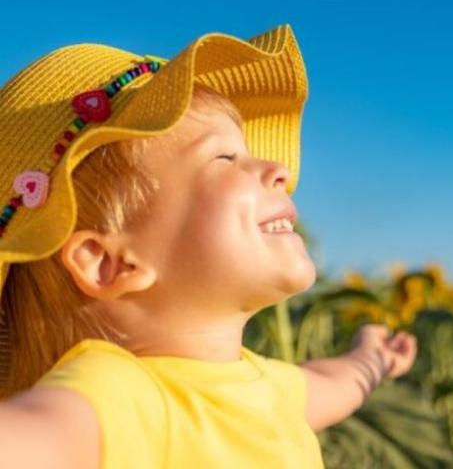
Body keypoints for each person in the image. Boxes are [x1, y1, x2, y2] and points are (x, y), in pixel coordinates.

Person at [0, 24, 417, 468]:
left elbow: (332, 382)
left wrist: (371, 358)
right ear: (110, 262)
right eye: (224, 157)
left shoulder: (263, 385)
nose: (278, 169)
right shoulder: (123, 398)